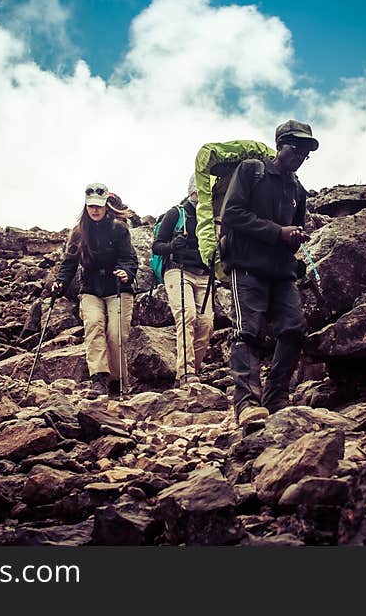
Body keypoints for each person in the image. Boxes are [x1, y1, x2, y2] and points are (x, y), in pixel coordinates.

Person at [220, 120, 317, 429]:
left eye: (305, 151)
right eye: (295, 148)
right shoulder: (252, 170)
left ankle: (276, 397)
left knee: (294, 328)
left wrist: (295, 237)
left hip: (282, 271)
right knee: (247, 331)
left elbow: (295, 226)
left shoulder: (297, 189)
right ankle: (247, 403)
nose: (300, 155)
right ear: (280, 145)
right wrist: (278, 233)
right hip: (247, 266)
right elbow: (232, 214)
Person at [53, 183, 138, 396]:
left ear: (106, 205)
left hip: (118, 287)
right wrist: (61, 282)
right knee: (93, 325)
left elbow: (129, 258)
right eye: (91, 206)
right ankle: (98, 378)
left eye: (99, 206)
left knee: (116, 334)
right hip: (90, 288)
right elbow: (69, 263)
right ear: (86, 206)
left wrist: (126, 271)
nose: (95, 210)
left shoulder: (119, 229)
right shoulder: (78, 233)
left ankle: (117, 382)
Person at [151, 174, 215, 387]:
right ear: (193, 191)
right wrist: (172, 246)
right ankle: (186, 373)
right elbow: (156, 246)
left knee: (206, 323)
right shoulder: (175, 213)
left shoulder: (212, 217)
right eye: (201, 191)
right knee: (187, 316)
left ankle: (191, 372)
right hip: (177, 271)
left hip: (204, 274)